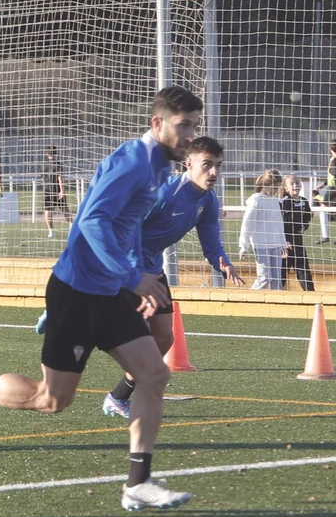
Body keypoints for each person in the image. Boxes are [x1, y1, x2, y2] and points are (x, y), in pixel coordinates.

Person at [0, 87, 204, 513]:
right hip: (77, 294)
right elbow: (91, 220)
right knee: (52, 400)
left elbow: (124, 227)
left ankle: (138, 482)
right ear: (157, 124)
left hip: (108, 294)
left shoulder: (156, 168)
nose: (189, 136)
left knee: (154, 375)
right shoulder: (134, 162)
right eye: (183, 126)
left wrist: (136, 278)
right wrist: (134, 275)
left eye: (195, 128)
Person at [101, 135, 244, 419]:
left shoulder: (209, 201)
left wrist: (224, 264)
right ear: (187, 163)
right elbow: (126, 226)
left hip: (153, 269)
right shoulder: (166, 193)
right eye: (206, 165)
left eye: (218, 165)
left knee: (164, 338)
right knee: (130, 337)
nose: (213, 172)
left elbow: (211, 243)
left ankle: (117, 398)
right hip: (128, 268)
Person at [239, 169, 286, 290]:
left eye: (277, 188)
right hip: (261, 246)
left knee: (277, 279)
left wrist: (282, 243)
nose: (275, 191)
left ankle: (277, 303)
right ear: (265, 185)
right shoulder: (256, 201)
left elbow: (279, 223)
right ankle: (249, 299)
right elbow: (247, 225)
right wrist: (244, 246)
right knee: (264, 278)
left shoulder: (275, 201)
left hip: (275, 245)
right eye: (274, 188)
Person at [280, 174, 315, 291]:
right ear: (286, 188)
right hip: (284, 244)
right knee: (281, 273)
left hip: (298, 242)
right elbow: (280, 223)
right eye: (292, 183)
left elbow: (307, 218)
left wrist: (304, 226)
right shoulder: (283, 203)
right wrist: (284, 241)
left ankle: (312, 297)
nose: (295, 185)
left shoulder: (304, 202)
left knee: (304, 271)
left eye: (298, 182)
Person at [41, 145, 70, 237]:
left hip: (47, 189)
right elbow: (60, 177)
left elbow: (42, 178)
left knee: (47, 210)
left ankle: (51, 231)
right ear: (56, 153)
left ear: (46, 153)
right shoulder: (57, 164)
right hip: (56, 189)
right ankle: (71, 226)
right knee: (64, 208)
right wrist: (62, 190)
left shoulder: (43, 164)